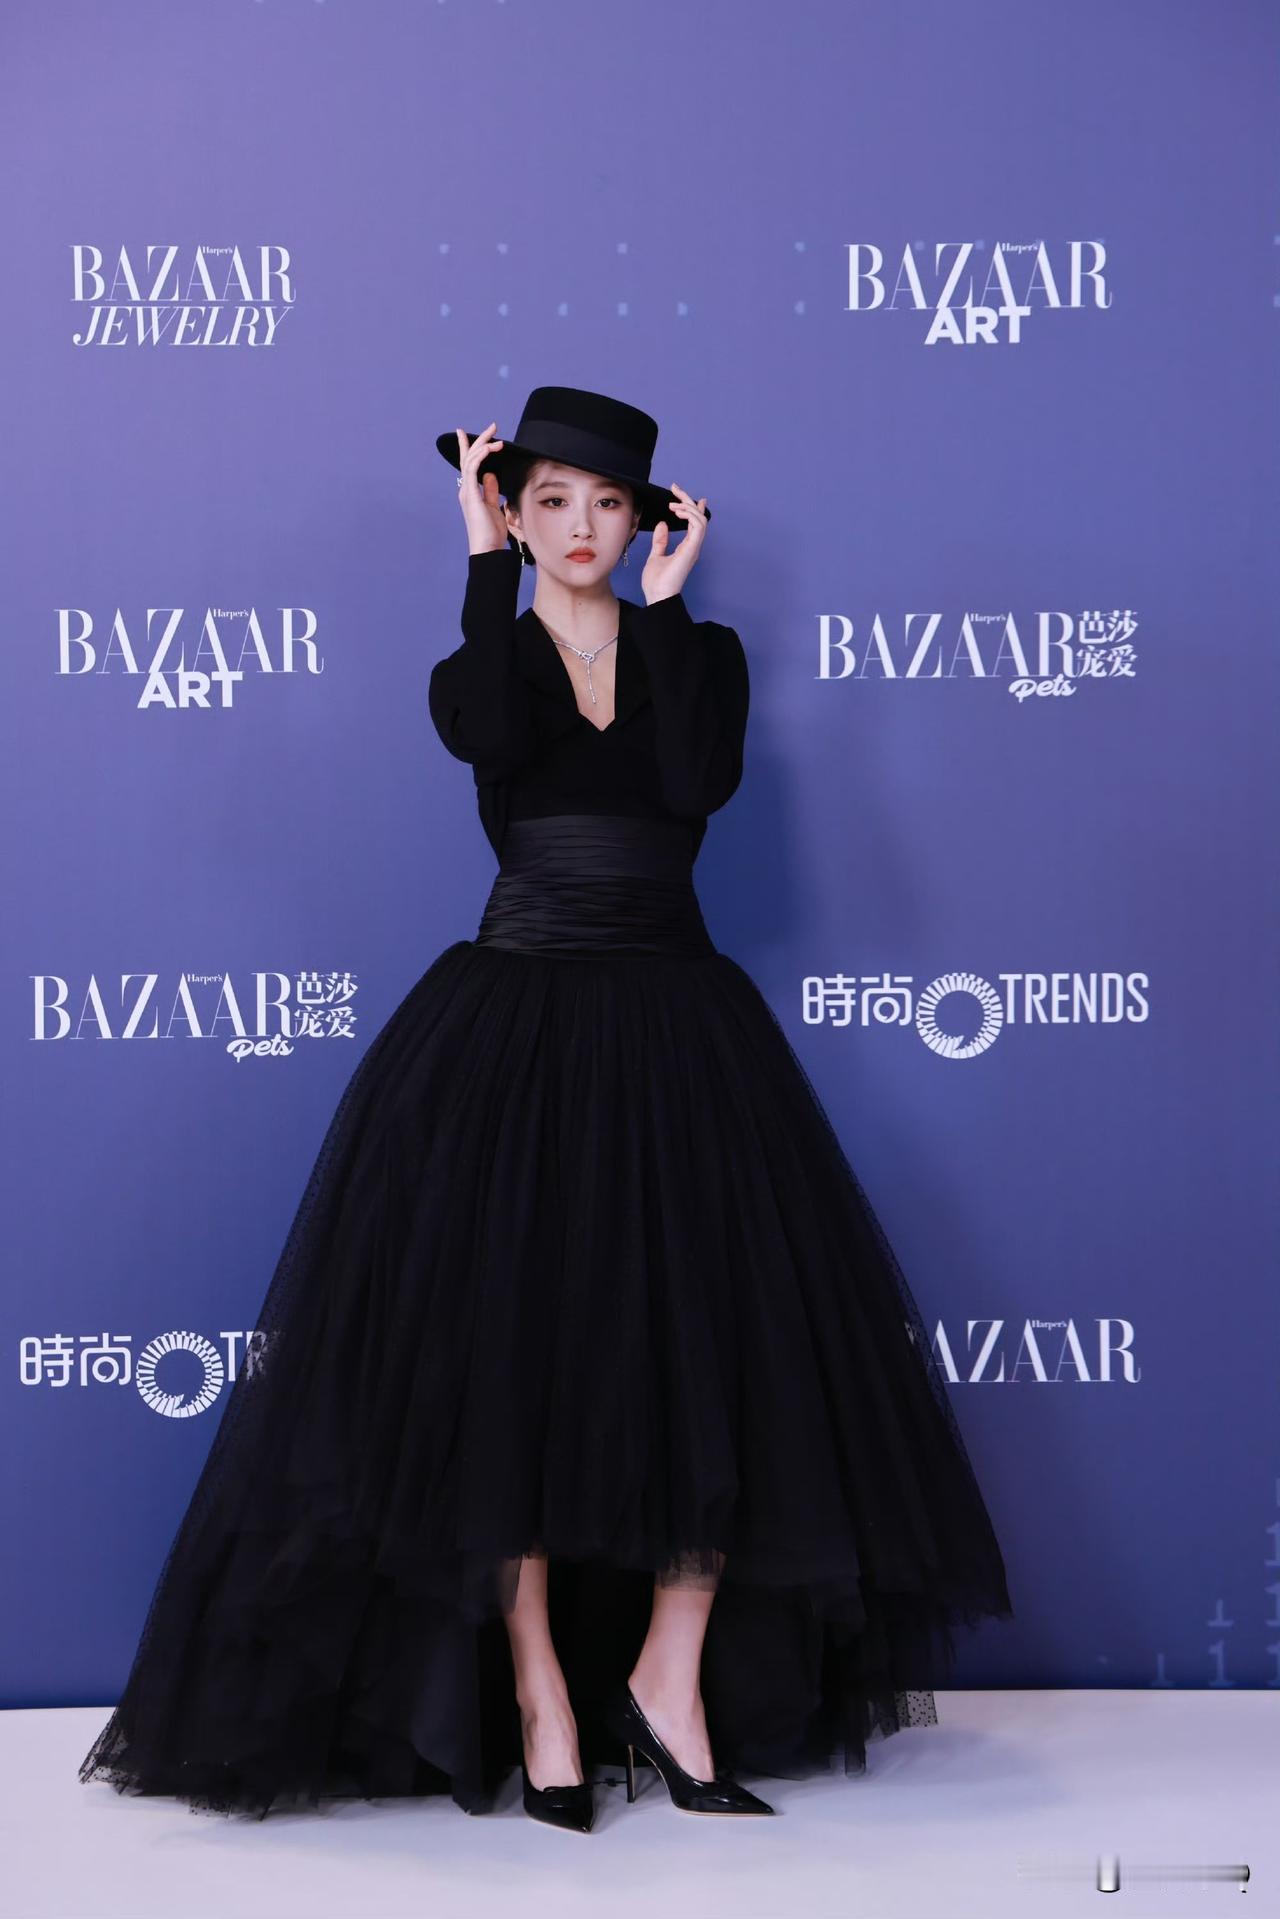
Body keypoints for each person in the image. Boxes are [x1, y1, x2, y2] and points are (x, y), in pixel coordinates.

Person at [78, 385, 1013, 1836]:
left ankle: (669, 1677)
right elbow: (487, 743)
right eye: (552, 501)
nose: (582, 527)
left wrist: (672, 616)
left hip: (679, 1024)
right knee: (502, 1361)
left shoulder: (702, 655)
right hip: (512, 1023)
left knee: (716, 1351)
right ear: (515, 515)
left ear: (646, 521)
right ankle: (539, 1694)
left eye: (610, 503)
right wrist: (478, 567)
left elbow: (697, 783)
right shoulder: (488, 658)